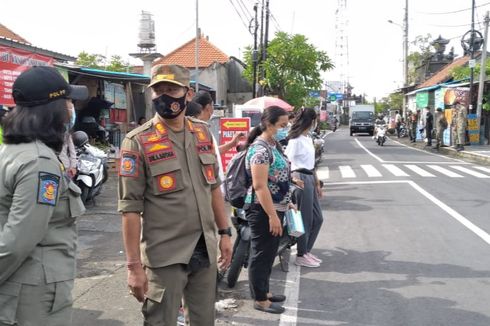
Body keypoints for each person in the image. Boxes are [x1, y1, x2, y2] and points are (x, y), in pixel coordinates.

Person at [118, 64, 232, 325]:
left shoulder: (202, 132)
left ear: (188, 94)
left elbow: (213, 187)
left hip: (204, 248)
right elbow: (130, 209)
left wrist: (225, 233)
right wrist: (134, 267)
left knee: (205, 320)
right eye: (158, 91)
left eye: (171, 89)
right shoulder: (137, 142)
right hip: (165, 257)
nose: (164, 96)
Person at [0, 66, 87, 325]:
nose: (71, 108)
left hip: (22, 290)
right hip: (34, 297)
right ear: (54, 108)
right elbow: (19, 240)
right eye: (68, 101)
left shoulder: (12, 151)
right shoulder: (39, 162)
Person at [244, 106, 293, 314]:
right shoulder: (260, 150)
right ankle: (260, 299)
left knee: (269, 252)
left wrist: (287, 199)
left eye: (287, 124)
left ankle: (264, 291)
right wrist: (272, 215)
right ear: (269, 124)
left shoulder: (274, 145)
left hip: (275, 207)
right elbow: (260, 186)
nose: (286, 128)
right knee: (261, 254)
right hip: (263, 209)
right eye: (282, 125)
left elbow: (277, 177)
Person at [285, 108, 324, 268]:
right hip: (300, 177)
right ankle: (301, 254)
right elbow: (287, 161)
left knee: (318, 218)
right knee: (305, 218)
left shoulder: (308, 138)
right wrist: (292, 179)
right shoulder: (296, 140)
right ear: (311, 121)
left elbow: (312, 164)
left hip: (310, 177)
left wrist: (317, 183)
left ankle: (306, 250)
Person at [59, 103, 78, 178]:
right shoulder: (48, 132)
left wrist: (73, 166)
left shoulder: (67, 133)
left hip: (65, 167)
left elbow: (72, 151)